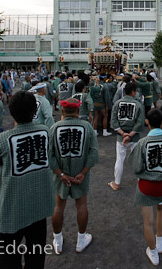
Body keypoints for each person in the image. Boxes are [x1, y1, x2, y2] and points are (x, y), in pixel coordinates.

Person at [0, 91, 55, 269]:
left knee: (9, 256)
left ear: (11, 111)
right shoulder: (45, 132)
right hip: (39, 204)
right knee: (36, 251)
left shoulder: (2, 140)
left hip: (12, 206)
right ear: (35, 111)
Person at [128, 108, 162, 266]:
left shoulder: (143, 142)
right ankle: (160, 242)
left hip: (145, 185)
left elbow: (136, 167)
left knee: (147, 221)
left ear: (147, 122)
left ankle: (153, 251)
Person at [49, 98, 99, 254]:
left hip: (60, 175)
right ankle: (81, 240)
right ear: (78, 111)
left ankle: (58, 241)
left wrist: (61, 174)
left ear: (62, 112)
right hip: (80, 175)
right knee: (82, 205)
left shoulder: (54, 128)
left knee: (59, 207)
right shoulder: (87, 128)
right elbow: (94, 153)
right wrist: (83, 173)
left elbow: (49, 156)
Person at [108, 82, 145, 191]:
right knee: (137, 159)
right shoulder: (138, 104)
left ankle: (116, 183)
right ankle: (141, 182)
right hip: (134, 136)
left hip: (121, 136)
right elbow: (140, 122)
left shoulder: (117, 103)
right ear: (133, 92)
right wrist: (131, 134)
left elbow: (113, 121)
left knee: (119, 159)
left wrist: (123, 133)